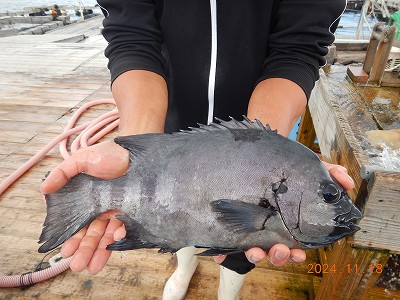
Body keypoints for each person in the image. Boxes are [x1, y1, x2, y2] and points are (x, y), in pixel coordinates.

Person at [41, 0, 353, 284]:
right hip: (168, 126)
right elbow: (131, 37)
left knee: (243, 251)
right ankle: (184, 264)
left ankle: (230, 284)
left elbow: (297, 50)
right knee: (180, 224)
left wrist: (268, 147)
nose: (335, 203)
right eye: (329, 195)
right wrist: (136, 143)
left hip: (267, 116)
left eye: (329, 196)